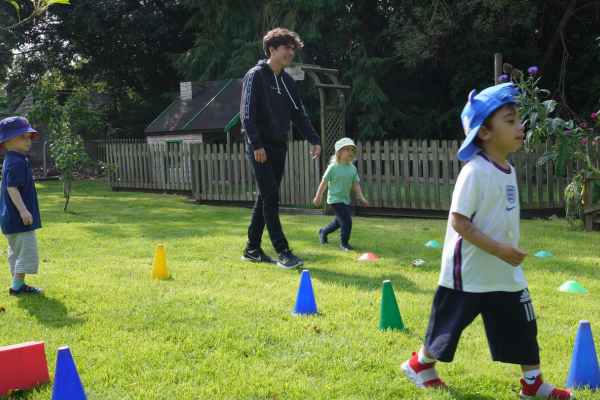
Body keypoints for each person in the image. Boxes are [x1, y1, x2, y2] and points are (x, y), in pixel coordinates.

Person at [400, 83, 574, 399]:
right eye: (510, 120)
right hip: (468, 274)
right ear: (484, 132)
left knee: (523, 325)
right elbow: (458, 220)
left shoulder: (507, 168)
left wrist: (503, 253)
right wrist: (497, 249)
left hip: (504, 272)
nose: (520, 125)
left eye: (519, 119)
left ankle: (533, 384)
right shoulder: (475, 172)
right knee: (447, 330)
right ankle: (418, 364)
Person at [239, 28, 321, 269]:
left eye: (293, 48)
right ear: (272, 50)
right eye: (287, 48)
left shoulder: (288, 81)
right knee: (272, 196)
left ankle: (252, 249)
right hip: (259, 146)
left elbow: (299, 114)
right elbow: (246, 116)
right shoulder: (255, 75)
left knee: (265, 196)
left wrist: (314, 139)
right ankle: (283, 252)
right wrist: (256, 145)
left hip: (278, 145)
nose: (291, 52)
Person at [0, 117, 43, 296]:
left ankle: (18, 283)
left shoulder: (12, 158)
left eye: (28, 136)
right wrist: (24, 210)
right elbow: (12, 188)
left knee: (16, 251)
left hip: (10, 217)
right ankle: (17, 287)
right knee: (28, 251)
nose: (28, 140)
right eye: (22, 136)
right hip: (18, 217)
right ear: (7, 140)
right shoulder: (17, 161)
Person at [313, 138, 368, 250]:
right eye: (347, 149)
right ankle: (344, 244)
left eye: (352, 150)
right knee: (346, 221)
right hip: (335, 199)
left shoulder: (352, 168)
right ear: (339, 152)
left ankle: (323, 232)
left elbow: (356, 184)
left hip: (345, 200)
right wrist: (318, 197)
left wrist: (361, 197)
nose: (351, 152)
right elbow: (324, 183)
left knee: (339, 221)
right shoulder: (333, 167)